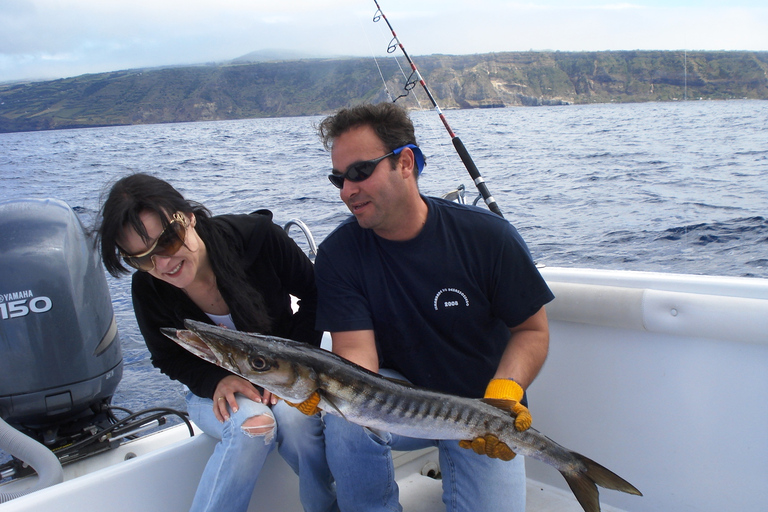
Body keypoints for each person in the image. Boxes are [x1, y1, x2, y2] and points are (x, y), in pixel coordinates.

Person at [313, 102, 554, 512]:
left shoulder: (487, 237)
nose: (346, 190)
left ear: (404, 162)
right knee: (345, 419)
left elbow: (532, 331)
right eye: (339, 177)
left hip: (481, 413)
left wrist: (504, 394)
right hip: (399, 408)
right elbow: (356, 358)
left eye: (359, 172)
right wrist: (323, 393)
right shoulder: (339, 254)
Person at [96, 173, 338, 512]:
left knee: (298, 422)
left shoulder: (258, 238)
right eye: (141, 259)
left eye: (166, 240)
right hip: (211, 384)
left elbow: (316, 295)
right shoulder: (147, 288)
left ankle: (325, 507)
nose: (162, 264)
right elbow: (167, 356)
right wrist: (216, 380)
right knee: (253, 427)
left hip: (288, 371)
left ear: (189, 217)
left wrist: (287, 367)